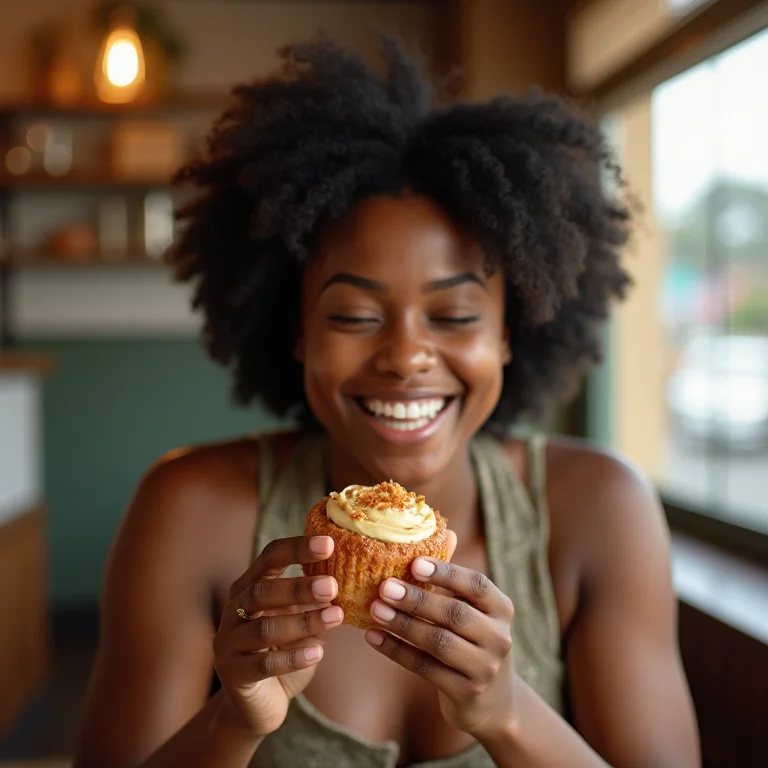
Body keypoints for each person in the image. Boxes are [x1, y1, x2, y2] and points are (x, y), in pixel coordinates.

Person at [73, 37, 700, 768]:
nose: (405, 357)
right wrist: (234, 723)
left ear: (510, 333)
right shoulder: (188, 508)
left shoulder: (601, 510)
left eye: (456, 315)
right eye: (353, 316)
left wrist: (509, 716)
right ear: (297, 331)